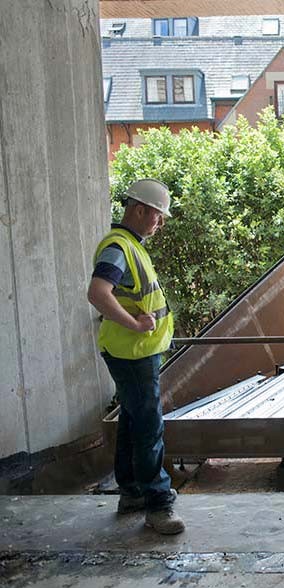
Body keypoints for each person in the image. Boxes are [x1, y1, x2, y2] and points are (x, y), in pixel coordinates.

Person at [87, 179, 184, 535]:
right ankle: (158, 505)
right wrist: (134, 324)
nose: (159, 224)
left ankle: (130, 493)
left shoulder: (131, 245)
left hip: (134, 351)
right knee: (148, 425)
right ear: (139, 210)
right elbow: (98, 292)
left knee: (132, 420)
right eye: (158, 216)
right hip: (132, 353)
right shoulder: (118, 247)